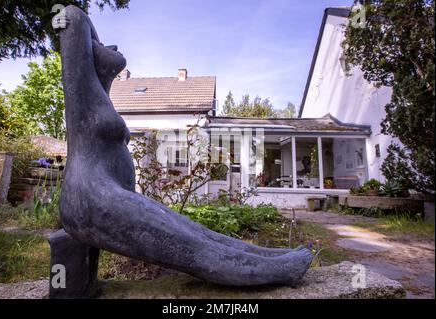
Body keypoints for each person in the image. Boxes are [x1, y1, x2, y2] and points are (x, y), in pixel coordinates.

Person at [58, 5, 313, 286]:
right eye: (101, 44)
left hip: (111, 191)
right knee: (192, 248)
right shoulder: (81, 91)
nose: (114, 46)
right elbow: (72, 18)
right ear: (89, 53)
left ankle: (270, 257)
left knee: (198, 232)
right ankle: (269, 272)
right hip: (90, 196)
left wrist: (96, 48)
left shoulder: (101, 95)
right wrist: (88, 31)